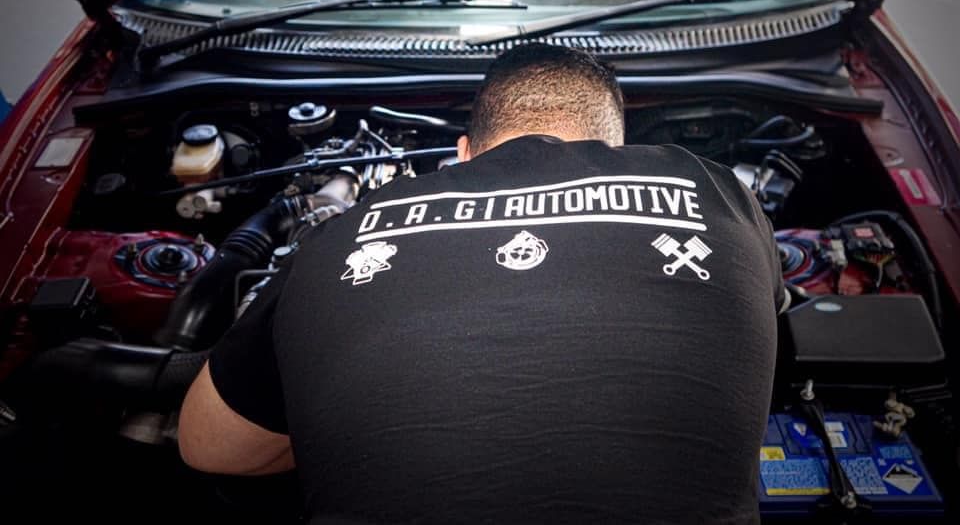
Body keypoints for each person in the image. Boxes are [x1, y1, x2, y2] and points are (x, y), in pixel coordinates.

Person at [179, 44, 785, 524]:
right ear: (617, 149)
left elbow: (209, 445)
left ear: (463, 155)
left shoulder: (348, 234)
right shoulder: (716, 195)